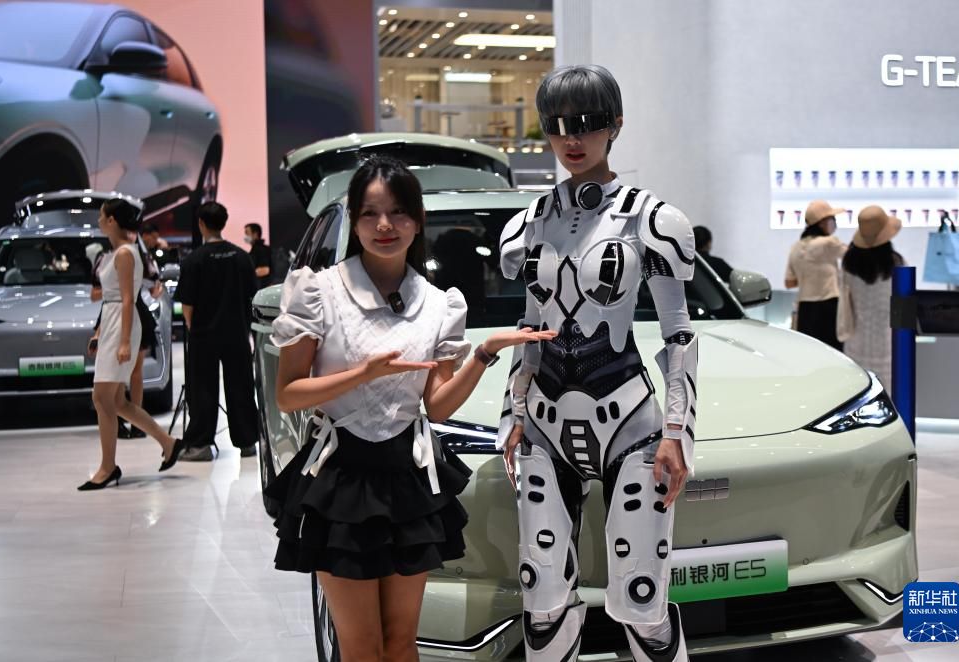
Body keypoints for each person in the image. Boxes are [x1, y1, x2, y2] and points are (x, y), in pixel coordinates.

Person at [266, 156, 555, 662]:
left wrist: (483, 355)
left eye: (398, 212)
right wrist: (361, 374)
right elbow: (288, 393)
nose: (385, 225)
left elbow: (436, 407)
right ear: (354, 221)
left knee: (402, 643)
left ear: (417, 221)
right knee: (361, 646)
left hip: (406, 477)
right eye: (370, 213)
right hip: (339, 478)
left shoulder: (439, 304)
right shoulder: (319, 292)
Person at [497, 65, 697, 662]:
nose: (572, 138)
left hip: (629, 422)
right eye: (557, 126)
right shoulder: (530, 222)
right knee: (543, 598)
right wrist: (512, 413)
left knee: (643, 601)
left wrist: (678, 431)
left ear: (615, 125)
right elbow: (531, 331)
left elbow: (679, 334)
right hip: (544, 421)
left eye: (586, 123)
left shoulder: (651, 219)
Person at [79, 198, 185, 490]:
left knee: (102, 398)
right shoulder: (116, 253)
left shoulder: (126, 253)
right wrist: (100, 332)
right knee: (115, 401)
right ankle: (168, 443)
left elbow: (128, 300)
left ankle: (107, 467)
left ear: (112, 220)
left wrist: (125, 341)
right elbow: (111, 300)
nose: (99, 220)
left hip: (121, 326)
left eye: (102, 216)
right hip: (112, 323)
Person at [174, 202, 262, 460]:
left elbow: (187, 305)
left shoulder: (194, 260)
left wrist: (193, 326)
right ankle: (247, 442)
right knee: (241, 386)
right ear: (223, 223)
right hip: (237, 333)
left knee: (202, 389)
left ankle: (201, 445)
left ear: (201, 224)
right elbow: (252, 297)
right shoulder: (242, 257)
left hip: (204, 335)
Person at [89, 236, 163, 439]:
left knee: (133, 375)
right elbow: (95, 294)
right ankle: (126, 423)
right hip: (115, 313)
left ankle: (137, 427)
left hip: (133, 314)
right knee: (119, 384)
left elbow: (152, 290)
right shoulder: (108, 258)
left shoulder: (133, 256)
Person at [837, 205, 904, 391]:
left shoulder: (849, 263)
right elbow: (904, 306)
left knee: (858, 394)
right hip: (888, 343)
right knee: (887, 395)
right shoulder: (896, 263)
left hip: (855, 341)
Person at [785, 200, 848, 350]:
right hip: (829, 307)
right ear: (822, 223)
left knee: (809, 353)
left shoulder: (795, 247)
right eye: (832, 219)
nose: (834, 222)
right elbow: (853, 257)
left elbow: (789, 282)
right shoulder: (829, 242)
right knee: (834, 353)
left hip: (805, 310)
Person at [244, 222, 273, 289]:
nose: (245, 236)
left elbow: (265, 270)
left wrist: (245, 275)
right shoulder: (255, 249)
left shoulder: (260, 249)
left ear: (255, 234)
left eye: (247, 233)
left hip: (263, 288)